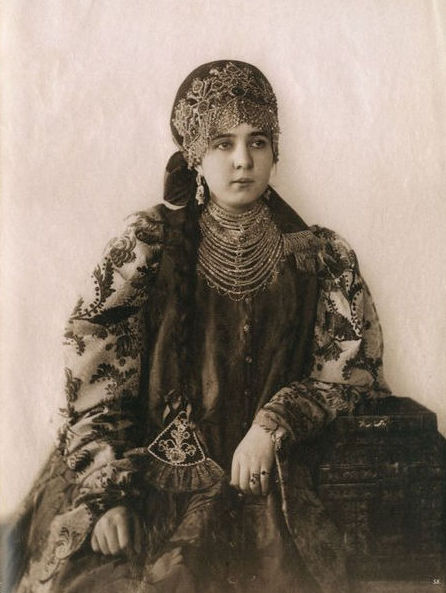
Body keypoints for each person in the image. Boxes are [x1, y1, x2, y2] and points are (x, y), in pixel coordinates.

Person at [7, 60, 389, 593]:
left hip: (267, 481)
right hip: (149, 483)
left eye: (258, 142)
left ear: (275, 151)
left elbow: (349, 376)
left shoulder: (319, 255)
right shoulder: (146, 246)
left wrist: (272, 424)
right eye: (223, 144)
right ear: (194, 155)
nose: (242, 160)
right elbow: (97, 386)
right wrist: (109, 496)